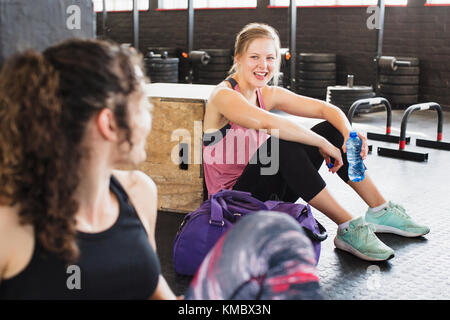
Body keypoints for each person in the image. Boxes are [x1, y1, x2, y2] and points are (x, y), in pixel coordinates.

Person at [0, 38, 321, 299]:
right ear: (109, 123)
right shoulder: (8, 221)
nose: (149, 119)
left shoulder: (137, 192)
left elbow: (153, 291)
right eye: (143, 107)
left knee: (278, 237)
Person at [202, 22, 430, 262]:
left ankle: (380, 210)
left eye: (270, 57)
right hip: (231, 207)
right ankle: (347, 226)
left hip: (265, 194)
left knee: (333, 129)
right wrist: (322, 144)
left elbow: (326, 109)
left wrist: (348, 134)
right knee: (281, 145)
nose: (263, 65)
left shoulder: (266, 94)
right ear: (238, 57)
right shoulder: (223, 96)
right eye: (254, 57)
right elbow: (268, 125)